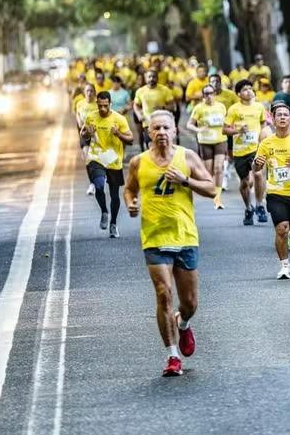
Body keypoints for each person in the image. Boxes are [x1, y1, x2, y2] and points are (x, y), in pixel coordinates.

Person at [124, 110, 217, 377]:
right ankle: (172, 356)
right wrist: (131, 202)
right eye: (156, 129)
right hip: (154, 237)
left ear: (175, 131)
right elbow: (129, 188)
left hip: (185, 236)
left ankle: (184, 323)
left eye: (166, 127)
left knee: (189, 303)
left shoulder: (187, 157)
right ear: (148, 133)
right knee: (164, 293)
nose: (161, 132)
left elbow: (212, 189)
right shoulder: (138, 162)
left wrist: (185, 180)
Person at [254, 102, 290, 279]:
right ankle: (285, 266)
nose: (282, 117)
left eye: (285, 115)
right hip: (275, 192)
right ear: (272, 119)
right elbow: (256, 168)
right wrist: (256, 164)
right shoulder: (266, 142)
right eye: (278, 115)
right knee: (281, 229)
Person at [82, 91, 134, 237]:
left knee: (114, 194)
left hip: (113, 159)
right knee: (98, 186)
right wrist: (87, 133)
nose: (103, 109)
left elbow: (130, 139)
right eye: (100, 106)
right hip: (96, 156)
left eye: (105, 106)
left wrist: (118, 134)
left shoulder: (119, 119)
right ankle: (104, 211)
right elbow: (83, 133)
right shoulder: (91, 116)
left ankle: (113, 223)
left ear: (110, 104)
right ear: (97, 104)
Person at [224, 79, 266, 225]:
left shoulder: (259, 107)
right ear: (238, 94)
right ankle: (249, 208)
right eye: (245, 89)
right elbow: (225, 130)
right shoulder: (234, 109)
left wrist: (263, 139)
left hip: (256, 148)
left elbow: (263, 124)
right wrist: (238, 130)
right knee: (245, 183)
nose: (248, 91)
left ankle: (260, 205)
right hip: (240, 151)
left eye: (250, 88)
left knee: (258, 174)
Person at [187, 87, 228, 210]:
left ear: (215, 94)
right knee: (209, 171)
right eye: (206, 94)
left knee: (219, 168)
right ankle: (210, 191)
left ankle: (218, 198)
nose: (209, 96)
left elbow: (226, 122)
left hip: (220, 140)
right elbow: (189, 124)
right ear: (203, 95)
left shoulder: (221, 106)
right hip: (205, 141)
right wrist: (198, 129)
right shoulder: (199, 108)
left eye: (211, 93)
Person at [74, 83, 98, 196]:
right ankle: (92, 184)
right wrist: (80, 124)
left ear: (94, 92)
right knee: (88, 159)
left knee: (97, 160)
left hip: (97, 135)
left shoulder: (98, 104)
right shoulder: (80, 104)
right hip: (85, 135)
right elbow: (78, 115)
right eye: (87, 91)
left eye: (91, 91)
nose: (89, 93)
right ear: (84, 92)